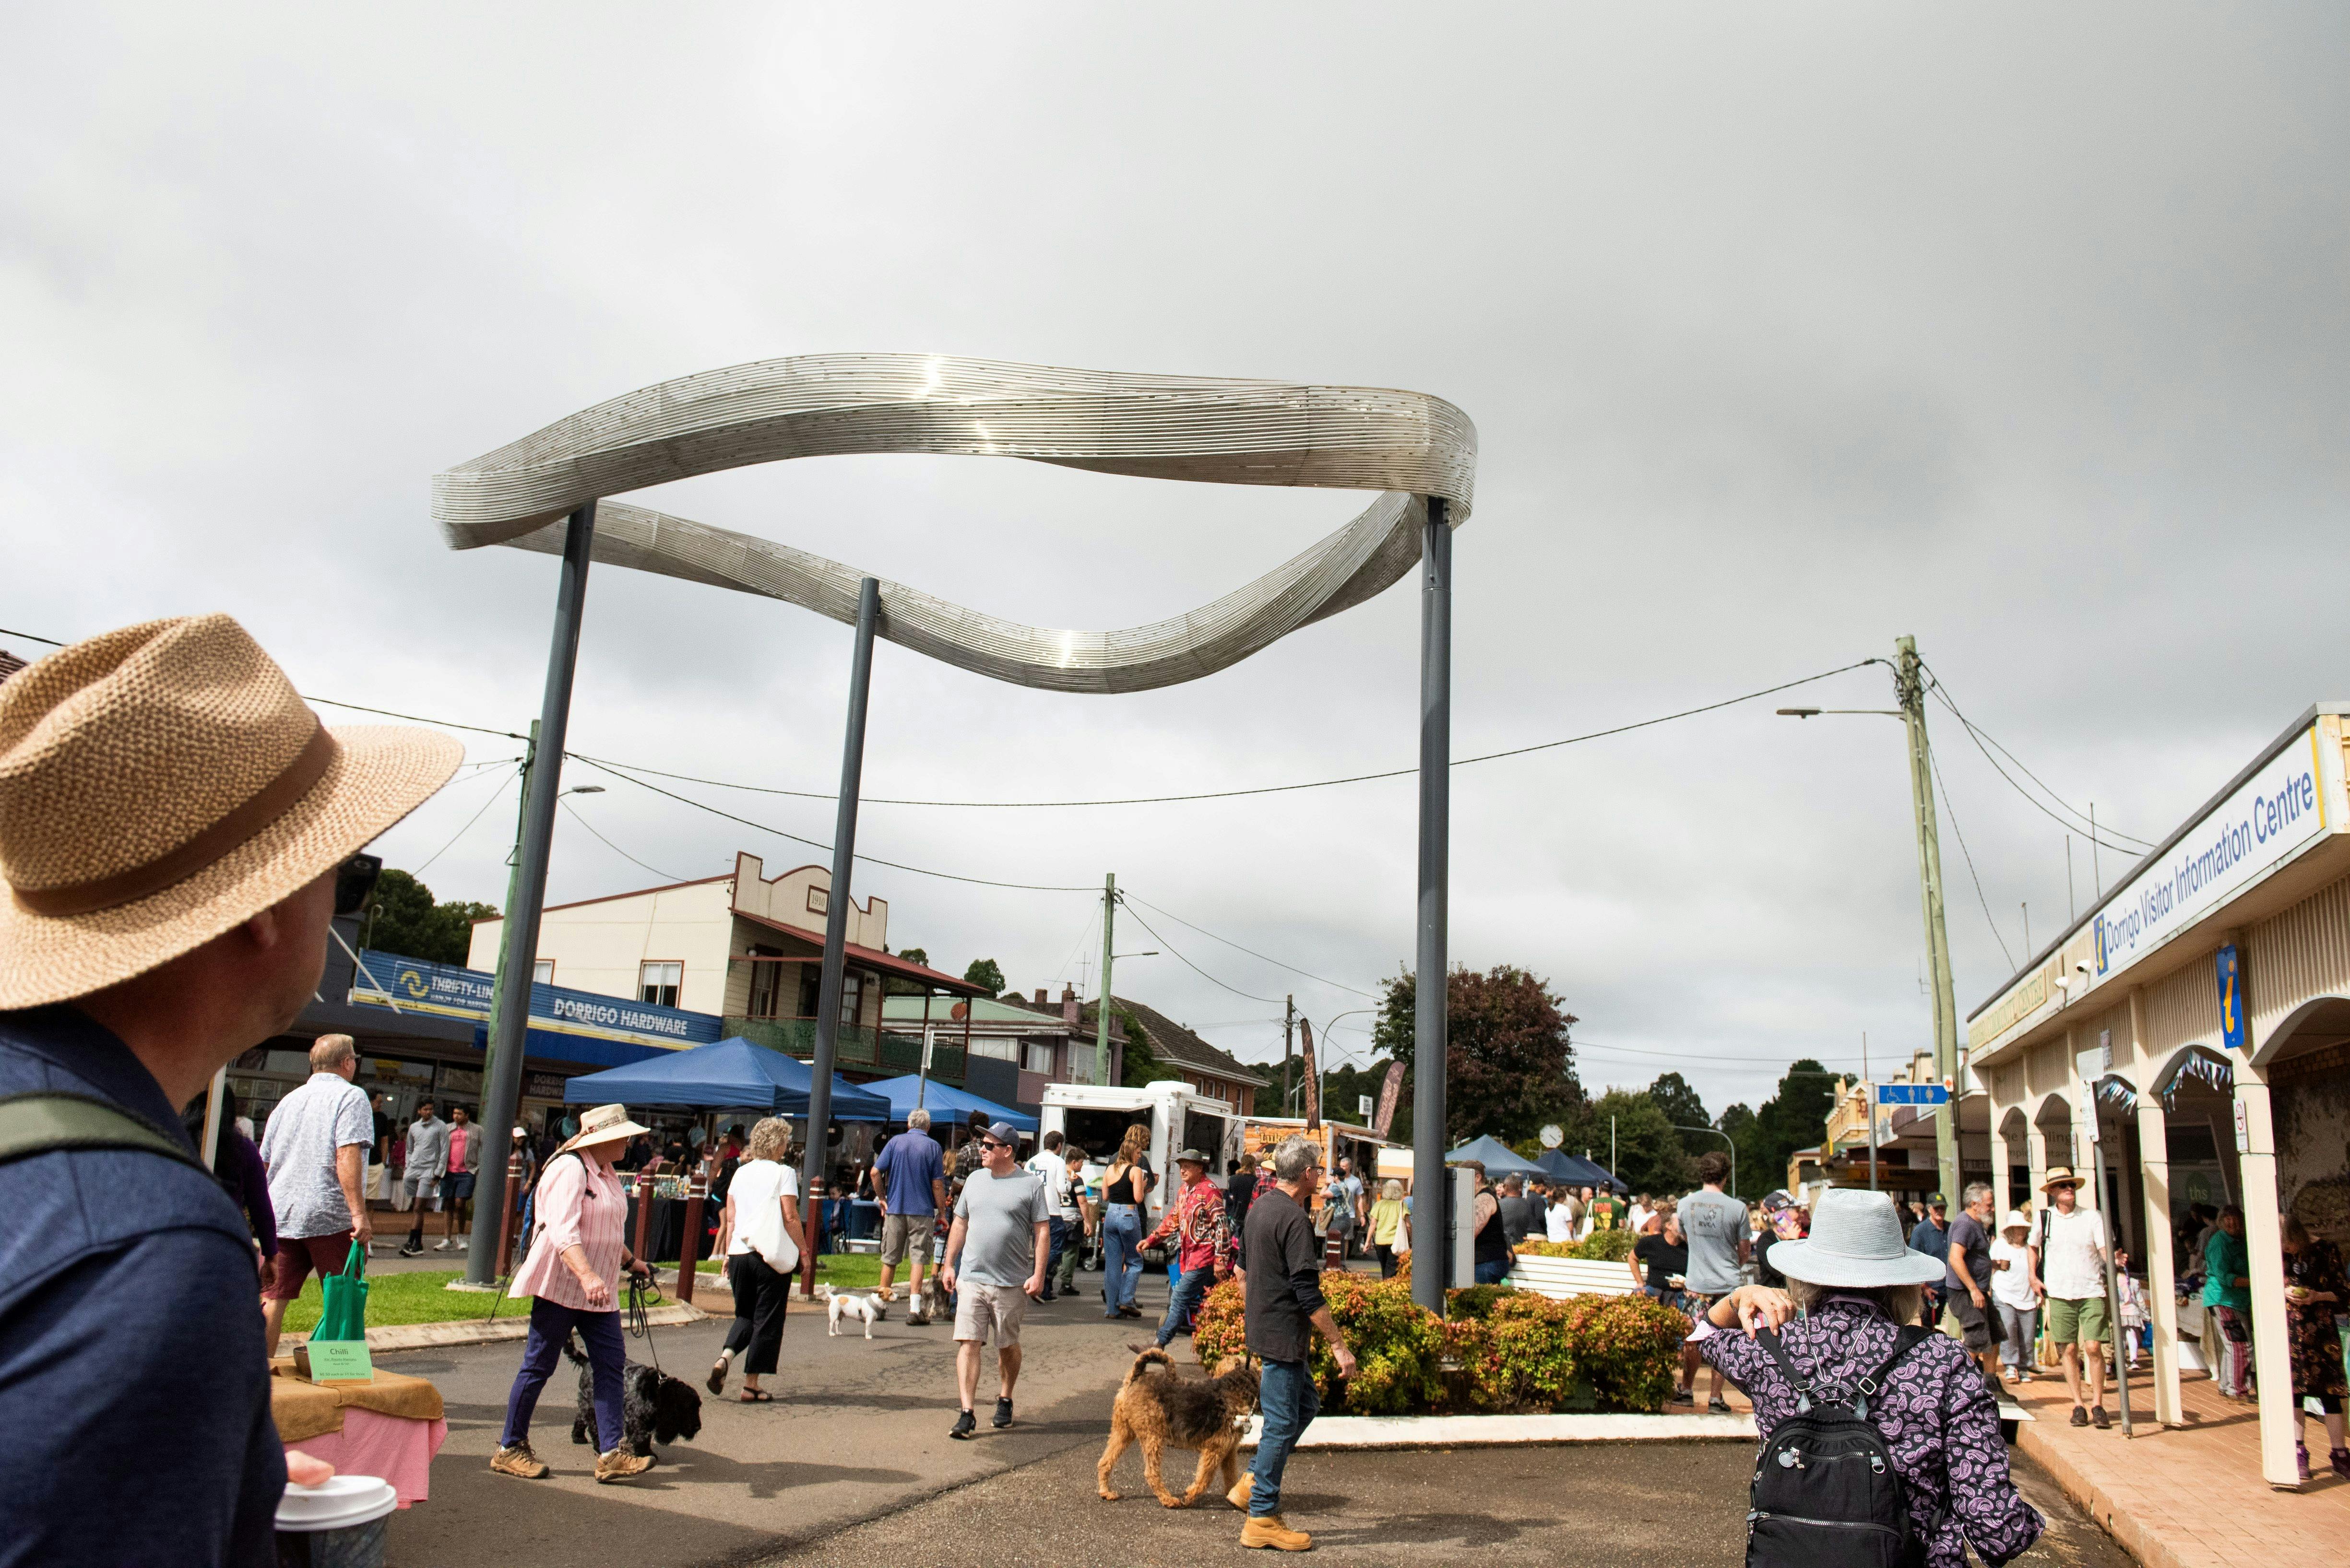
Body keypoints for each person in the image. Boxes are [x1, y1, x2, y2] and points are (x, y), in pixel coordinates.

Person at [0, 614, 462, 1563]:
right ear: (262, 906)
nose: (344, 903)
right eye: (347, 870)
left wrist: (190, 1471)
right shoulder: (149, 1248)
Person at [1694, 1188, 2043, 1568]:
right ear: (1902, 1279)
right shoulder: (1943, 1360)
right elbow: (1996, 1528)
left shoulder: (1773, 1347)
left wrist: (1740, 1296)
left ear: (1808, 1274)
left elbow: (1703, 1336)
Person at [494, 1102, 660, 1482]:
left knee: (611, 1365)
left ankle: (611, 1453)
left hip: (598, 1290)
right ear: (602, 1138)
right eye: (623, 1135)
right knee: (539, 1365)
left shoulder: (606, 1171)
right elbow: (563, 1231)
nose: (629, 1141)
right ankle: (509, 1447)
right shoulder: (570, 1169)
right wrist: (587, 1276)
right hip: (563, 1286)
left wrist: (631, 1261)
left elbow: (607, 1228)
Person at [1231, 1136, 1358, 1552]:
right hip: (1283, 1334)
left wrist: (1258, 1310)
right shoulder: (1295, 1219)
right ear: (1306, 1174)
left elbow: (1240, 1272)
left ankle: (1252, 1482)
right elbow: (1308, 1293)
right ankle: (1262, 1516)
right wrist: (1339, 1345)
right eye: (1318, 1168)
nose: (1320, 1174)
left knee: (1305, 1405)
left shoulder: (1260, 1207)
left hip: (1268, 1329)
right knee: (1282, 1423)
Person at [259, 1033, 379, 1357]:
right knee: (342, 1299)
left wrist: (259, 1212)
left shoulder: (289, 1100)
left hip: (282, 1213)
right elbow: (347, 1154)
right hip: (331, 1214)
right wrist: (359, 1214)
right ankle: (337, 1374)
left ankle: (258, 1374)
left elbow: (264, 1162)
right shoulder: (351, 1096)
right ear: (348, 1063)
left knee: (271, 1298)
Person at [939, 1121, 1050, 1438]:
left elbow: (1042, 1231)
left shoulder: (1030, 1185)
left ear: (1008, 1151)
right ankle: (967, 1412)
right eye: (982, 1144)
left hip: (1010, 1281)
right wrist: (949, 1265)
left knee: (1007, 1345)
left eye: (989, 1146)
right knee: (969, 1342)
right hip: (972, 1276)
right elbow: (960, 1224)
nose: (982, 1150)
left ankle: (1005, 1397)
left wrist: (1039, 1274)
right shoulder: (975, 1180)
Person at [707, 1116, 807, 1404]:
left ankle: (725, 1357)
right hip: (769, 1255)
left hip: (739, 1253)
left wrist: (728, 1253)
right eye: (785, 1141)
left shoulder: (741, 1173)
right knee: (768, 1319)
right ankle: (751, 1385)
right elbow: (790, 1217)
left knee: (746, 1315)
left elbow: (732, 1219)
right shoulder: (785, 1173)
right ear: (777, 1144)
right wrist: (804, 1251)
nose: (787, 1146)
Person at [2028, 1167, 2113, 1425]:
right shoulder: (2044, 1218)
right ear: (2053, 1191)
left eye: (2072, 1185)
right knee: (2069, 1349)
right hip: (2059, 1292)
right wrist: (2033, 1277)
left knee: (2094, 1347)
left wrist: (2114, 1262)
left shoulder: (2092, 1217)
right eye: (2063, 1186)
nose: (2069, 1189)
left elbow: (2104, 1249)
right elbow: (2033, 1247)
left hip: (2091, 1290)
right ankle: (2078, 1404)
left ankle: (2098, 1403)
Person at [1678, 1150, 1749, 1414]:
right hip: (1728, 1287)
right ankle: (1716, 1398)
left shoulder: (1684, 1205)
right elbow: (1744, 1251)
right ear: (1726, 1176)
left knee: (1693, 1340)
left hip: (1697, 1285)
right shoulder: (1738, 1208)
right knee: (1724, 1341)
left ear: (1702, 1174)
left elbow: (1686, 1238)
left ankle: (1686, 1390)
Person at [2280, 1214, 2350, 1481]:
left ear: (2298, 1236)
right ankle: (2298, 1452)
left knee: (2330, 1394)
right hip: (2289, 1332)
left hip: (2322, 1333)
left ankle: (2340, 1455)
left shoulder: (2326, 1250)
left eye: (2288, 1243)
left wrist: (2318, 1296)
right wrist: (2283, 1292)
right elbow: (2262, 1287)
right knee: (2294, 1393)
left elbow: (2343, 1293)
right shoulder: (2277, 1255)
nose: (2286, 1249)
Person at [1143, 1148, 1234, 1346]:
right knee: (1208, 1300)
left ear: (1200, 1168)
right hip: (1189, 1256)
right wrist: (1151, 1240)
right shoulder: (1184, 1191)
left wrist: (1220, 1260)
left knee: (1180, 1297)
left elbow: (1222, 1226)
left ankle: (1159, 1344)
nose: (1183, 1171)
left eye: (1188, 1167)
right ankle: (1216, 1340)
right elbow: (1174, 1219)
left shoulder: (1209, 1191)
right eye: (1181, 1167)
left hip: (1204, 1257)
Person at [873, 1107, 948, 1323]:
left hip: (895, 1208)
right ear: (928, 1127)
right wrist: (942, 1212)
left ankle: (880, 1306)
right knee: (919, 1259)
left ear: (908, 1124)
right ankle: (915, 1311)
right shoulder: (933, 1147)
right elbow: (937, 1184)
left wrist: (882, 1198)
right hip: (922, 1211)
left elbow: (875, 1172)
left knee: (890, 1258)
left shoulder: (895, 1142)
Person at [1941, 1181, 2006, 1393]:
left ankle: (1990, 1382)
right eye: (1989, 1204)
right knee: (1976, 1339)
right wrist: (1973, 1289)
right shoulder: (1965, 1225)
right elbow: (1955, 1258)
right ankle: (1958, 1387)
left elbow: (1973, 1258)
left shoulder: (1976, 1224)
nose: (1993, 1209)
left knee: (1994, 1334)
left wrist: (1994, 1265)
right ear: (1975, 1204)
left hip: (1977, 1291)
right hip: (1965, 1293)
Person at [211, 1088, 278, 1282]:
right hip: (228, 1239)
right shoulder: (243, 1149)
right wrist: (271, 1255)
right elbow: (260, 1206)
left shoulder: (174, 1142)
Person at [1100, 1123, 1153, 1319]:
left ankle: (1111, 1310)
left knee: (1112, 1264)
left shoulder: (1109, 1170)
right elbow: (1138, 1198)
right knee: (1135, 1260)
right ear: (1131, 1153)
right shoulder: (1135, 1171)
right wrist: (1144, 1184)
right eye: (1138, 1153)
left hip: (1111, 1214)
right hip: (1129, 1215)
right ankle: (1126, 1300)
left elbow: (1105, 1196)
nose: (1140, 1156)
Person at [2202, 1203, 2253, 1399]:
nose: (2232, 1224)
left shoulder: (2241, 1240)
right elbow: (2225, 1277)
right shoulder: (2220, 1242)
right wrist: (2256, 1281)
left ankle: (2227, 1386)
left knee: (2232, 1346)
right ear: (2221, 1222)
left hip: (2237, 1301)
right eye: (2227, 1220)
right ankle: (2237, 1391)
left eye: (2235, 1219)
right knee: (2240, 1345)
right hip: (2224, 1300)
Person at [1988, 1210, 2041, 1384]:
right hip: (2004, 1294)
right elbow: (1990, 1266)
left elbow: (2037, 1269)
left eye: (2023, 1228)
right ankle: (2010, 1365)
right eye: (2017, 1228)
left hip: (2028, 1295)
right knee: (2009, 1327)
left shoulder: (2030, 1247)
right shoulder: (2000, 1244)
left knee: (2028, 1334)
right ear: (2009, 1230)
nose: (2021, 1231)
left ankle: (2025, 1367)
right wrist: (1988, 1289)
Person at [1028, 1129, 1076, 1302]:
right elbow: (1062, 1188)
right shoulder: (1058, 1161)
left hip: (1033, 1210)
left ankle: (1044, 1290)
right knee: (1055, 1249)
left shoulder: (1031, 1161)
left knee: (1039, 1247)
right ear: (1059, 1146)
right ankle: (1038, 1279)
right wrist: (1070, 1183)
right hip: (1052, 1211)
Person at [396, 1098, 449, 1256]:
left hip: (429, 1170)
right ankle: (416, 1243)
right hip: (413, 1169)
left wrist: (438, 1173)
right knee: (416, 1208)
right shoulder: (414, 1127)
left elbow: (445, 1151)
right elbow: (409, 1149)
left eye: (431, 1109)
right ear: (419, 1111)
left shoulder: (440, 1126)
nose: (429, 1112)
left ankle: (413, 1242)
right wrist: (408, 1165)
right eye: (426, 1109)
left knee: (419, 1208)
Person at [434, 1103, 478, 1251]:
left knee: (460, 1203)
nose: (456, 1116)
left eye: (459, 1114)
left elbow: (485, 1147)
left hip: (467, 1171)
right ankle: (447, 1239)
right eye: (454, 1113)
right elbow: (439, 1148)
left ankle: (461, 1236)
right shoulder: (447, 1129)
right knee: (448, 1203)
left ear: (467, 1115)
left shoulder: (477, 1130)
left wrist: (478, 1166)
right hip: (448, 1171)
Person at [1467, 1162, 1513, 1285]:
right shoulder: (1480, 1197)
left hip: (1487, 1262)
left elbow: (1471, 1231)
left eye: (1463, 1177)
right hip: (1486, 1262)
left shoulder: (1485, 1198)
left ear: (1477, 1178)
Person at [1909, 1192, 1952, 1320]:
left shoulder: (1951, 1228)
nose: (1940, 1211)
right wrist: (1924, 1287)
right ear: (1929, 1209)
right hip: (1932, 1291)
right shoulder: (1920, 1231)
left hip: (1952, 1287)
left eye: (1943, 1208)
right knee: (1930, 1327)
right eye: (1936, 1208)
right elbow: (1914, 1262)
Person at [1225, 1150, 1261, 1268]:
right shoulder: (1256, 1181)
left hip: (1235, 1216)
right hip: (1249, 1217)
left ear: (1242, 1164)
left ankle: (1231, 1267)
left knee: (1231, 1243)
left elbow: (1231, 1197)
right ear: (1253, 1165)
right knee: (1246, 1246)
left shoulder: (1233, 1179)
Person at [1326, 1155, 1365, 1260]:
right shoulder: (1335, 1179)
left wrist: (1362, 1215)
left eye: (1344, 1166)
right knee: (1333, 1236)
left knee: (1346, 1238)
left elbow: (1360, 1199)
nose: (1342, 1168)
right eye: (1341, 1166)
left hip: (1349, 1214)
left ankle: (1343, 1261)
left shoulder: (1356, 1181)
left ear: (1350, 1167)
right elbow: (1328, 1195)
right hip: (1334, 1213)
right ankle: (1332, 1260)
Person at [1368, 1179, 1406, 1279]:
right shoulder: (1402, 1205)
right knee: (1392, 1268)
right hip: (1395, 1242)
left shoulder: (1379, 1205)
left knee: (1384, 1266)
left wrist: (1368, 1241)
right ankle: (1388, 1285)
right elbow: (1408, 1225)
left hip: (1380, 1241)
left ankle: (1385, 1283)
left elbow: (1373, 1224)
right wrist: (1411, 1238)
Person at [1496, 1173, 1534, 1246]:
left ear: (1506, 1187)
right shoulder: (1527, 1204)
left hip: (1503, 1246)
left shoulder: (1499, 1205)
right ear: (1519, 1187)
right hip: (1522, 1245)